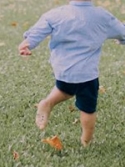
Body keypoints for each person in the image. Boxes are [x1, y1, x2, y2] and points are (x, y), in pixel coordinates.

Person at [18, 0, 125, 147]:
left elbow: (38, 31)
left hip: (63, 73)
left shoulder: (56, 14)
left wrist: (28, 43)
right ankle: (86, 141)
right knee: (88, 109)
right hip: (87, 75)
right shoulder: (102, 16)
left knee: (65, 89)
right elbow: (122, 31)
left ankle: (47, 103)